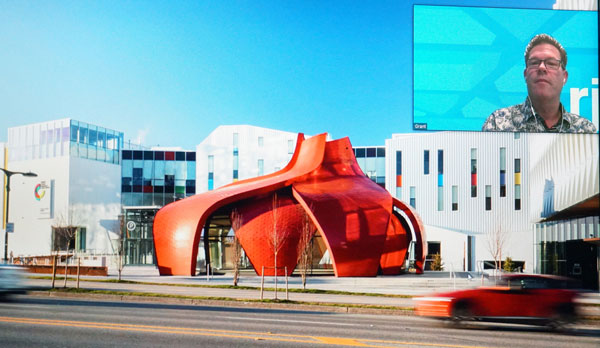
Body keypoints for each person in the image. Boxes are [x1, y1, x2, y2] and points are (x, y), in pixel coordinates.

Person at [482, 34, 596, 133]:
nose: (541, 67)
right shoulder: (498, 123)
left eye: (551, 63)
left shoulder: (584, 129)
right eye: (534, 62)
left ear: (564, 77)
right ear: (525, 75)